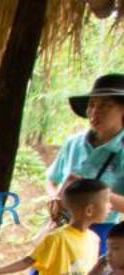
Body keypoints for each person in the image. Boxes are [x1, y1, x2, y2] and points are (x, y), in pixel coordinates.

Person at [43, 74, 124, 253]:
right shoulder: (74, 143)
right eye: (92, 104)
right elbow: (51, 178)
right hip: (62, 226)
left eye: (106, 105)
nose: (95, 111)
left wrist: (92, 194)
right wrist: (54, 197)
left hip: (100, 233)